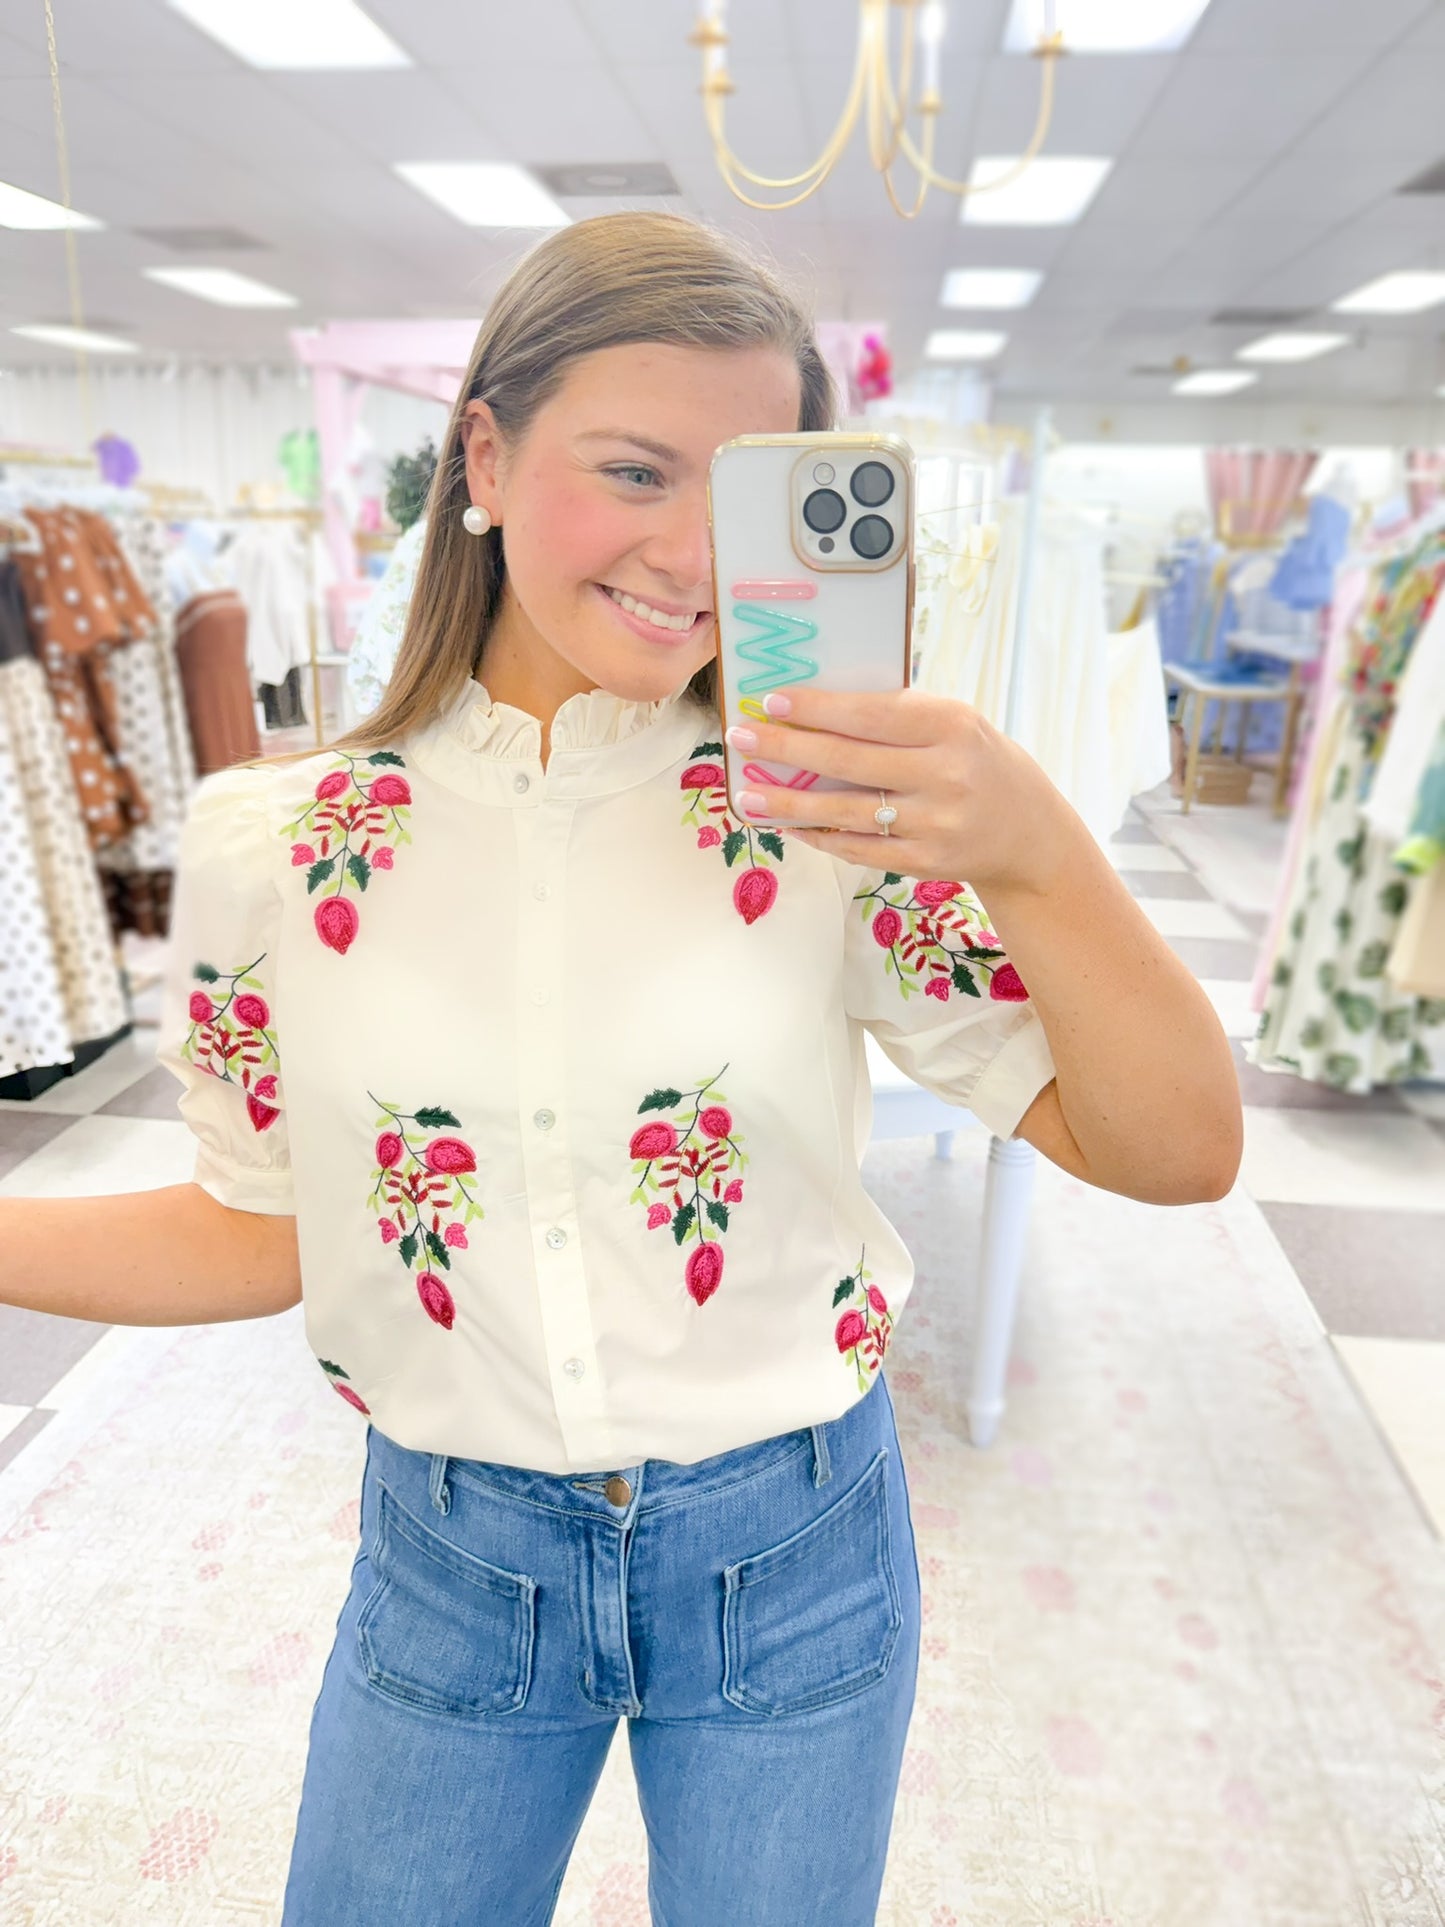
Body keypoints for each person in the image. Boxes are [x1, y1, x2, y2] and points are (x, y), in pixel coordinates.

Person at [0, 211, 1241, 1925]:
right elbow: (255, 1231)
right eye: (636, 470)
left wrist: (1040, 851)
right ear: (485, 457)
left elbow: (1175, 1151)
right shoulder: (272, 844)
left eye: (740, 500)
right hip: (451, 1562)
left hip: (793, 1548)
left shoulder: (830, 819)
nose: (690, 557)